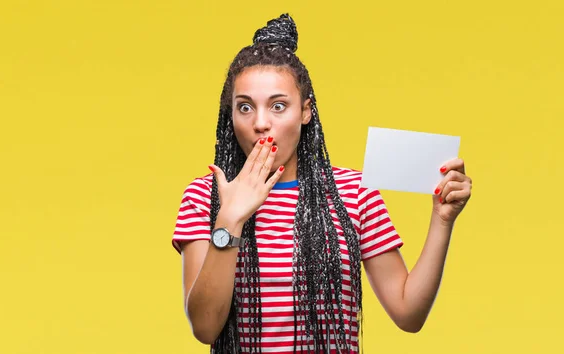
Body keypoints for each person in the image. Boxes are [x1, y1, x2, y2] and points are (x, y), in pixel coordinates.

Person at [171, 13, 472, 354]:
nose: (260, 123)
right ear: (232, 116)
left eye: (278, 106)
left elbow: (408, 313)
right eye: (245, 108)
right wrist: (230, 218)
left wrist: (442, 220)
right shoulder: (204, 197)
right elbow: (205, 327)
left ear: (305, 111)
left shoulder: (354, 193)